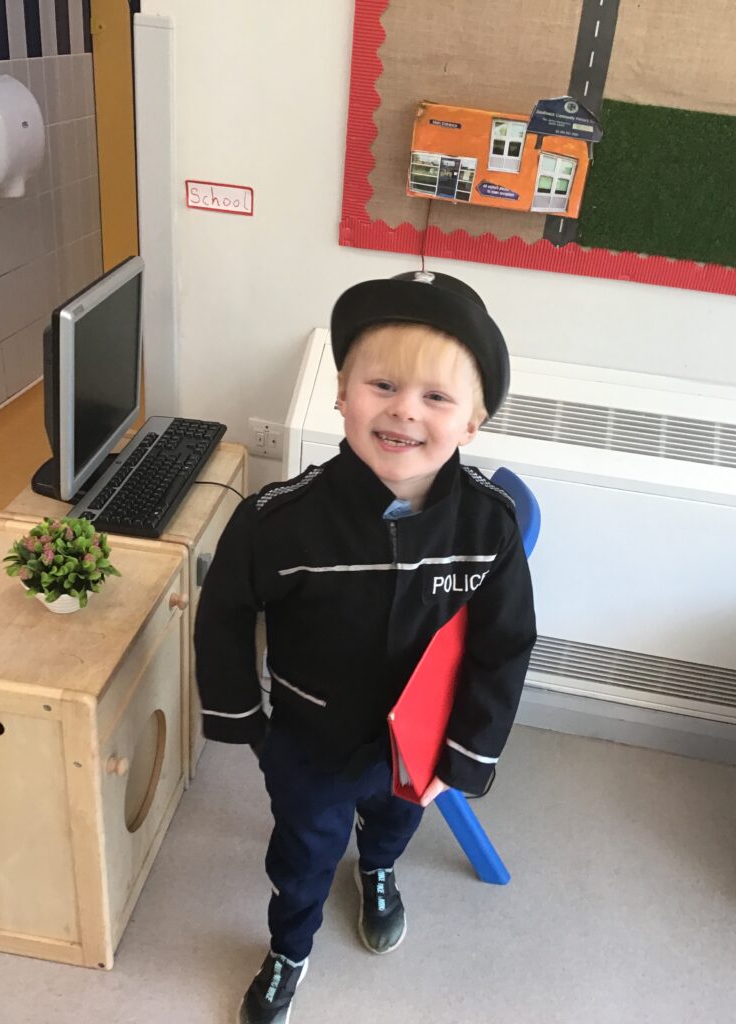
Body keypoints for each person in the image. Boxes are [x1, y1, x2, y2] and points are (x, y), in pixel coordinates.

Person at [194, 269, 537, 1024]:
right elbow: (224, 614)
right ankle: (289, 947)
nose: (405, 410)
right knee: (303, 853)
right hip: (310, 738)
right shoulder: (278, 521)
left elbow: (505, 642)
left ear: (472, 422)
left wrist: (465, 754)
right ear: (343, 394)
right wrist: (243, 720)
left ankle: (378, 868)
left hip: (417, 743)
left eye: (436, 396)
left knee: (392, 821)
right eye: (383, 385)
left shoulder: (489, 526)